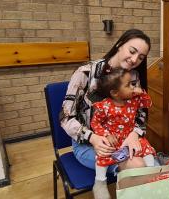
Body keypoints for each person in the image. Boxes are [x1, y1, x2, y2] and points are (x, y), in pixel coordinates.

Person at [60, 29, 151, 175]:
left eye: (141, 57)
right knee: (139, 167)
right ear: (119, 45)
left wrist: (134, 134)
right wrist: (93, 137)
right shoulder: (85, 72)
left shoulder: (134, 76)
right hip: (88, 144)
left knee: (151, 167)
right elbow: (65, 118)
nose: (134, 60)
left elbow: (140, 114)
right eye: (132, 51)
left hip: (124, 139)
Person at [91, 68, 156, 199]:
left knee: (145, 148)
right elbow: (95, 123)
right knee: (104, 154)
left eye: (133, 83)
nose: (133, 87)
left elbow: (148, 103)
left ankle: (150, 173)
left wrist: (140, 91)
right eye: (129, 85)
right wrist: (106, 134)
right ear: (115, 93)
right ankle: (100, 181)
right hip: (114, 139)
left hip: (130, 135)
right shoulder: (104, 106)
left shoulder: (134, 100)